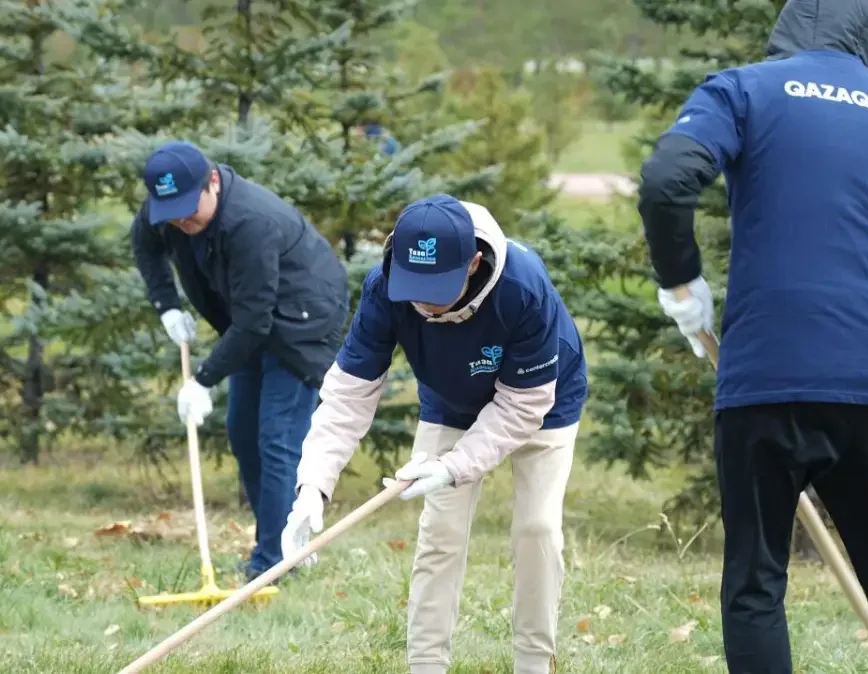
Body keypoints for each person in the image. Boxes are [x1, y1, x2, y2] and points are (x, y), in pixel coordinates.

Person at [635, 1, 868, 673]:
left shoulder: (745, 88)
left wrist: (682, 287)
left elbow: (666, 181)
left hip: (768, 374)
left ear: (787, 27)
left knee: (755, 584)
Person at [280, 194, 588, 674]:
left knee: (538, 529)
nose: (422, 300)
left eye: (436, 284)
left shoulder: (523, 288)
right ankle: (426, 666)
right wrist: (312, 488)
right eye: (412, 283)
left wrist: (454, 466)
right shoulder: (384, 289)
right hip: (451, 400)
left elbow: (521, 405)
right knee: (439, 533)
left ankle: (533, 663)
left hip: (542, 401)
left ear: (473, 263)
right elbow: (348, 394)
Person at [130, 141, 349, 581]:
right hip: (250, 320)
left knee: (278, 438)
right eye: (170, 212)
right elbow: (143, 243)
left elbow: (255, 322)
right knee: (243, 431)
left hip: (303, 318)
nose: (181, 220)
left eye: (189, 208)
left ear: (212, 182)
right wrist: (166, 305)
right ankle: (280, 545)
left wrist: (203, 380)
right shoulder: (168, 209)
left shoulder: (251, 222)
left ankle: (275, 562)